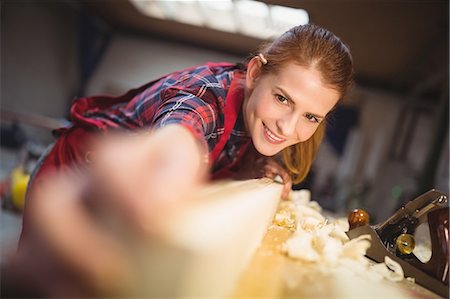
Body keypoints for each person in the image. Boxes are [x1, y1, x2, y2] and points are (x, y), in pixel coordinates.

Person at [8, 23, 353, 297]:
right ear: (254, 73)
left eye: (311, 117)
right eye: (282, 98)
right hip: (80, 175)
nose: (288, 126)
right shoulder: (203, 96)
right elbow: (181, 131)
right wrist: (172, 160)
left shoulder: (257, 121)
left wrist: (250, 166)